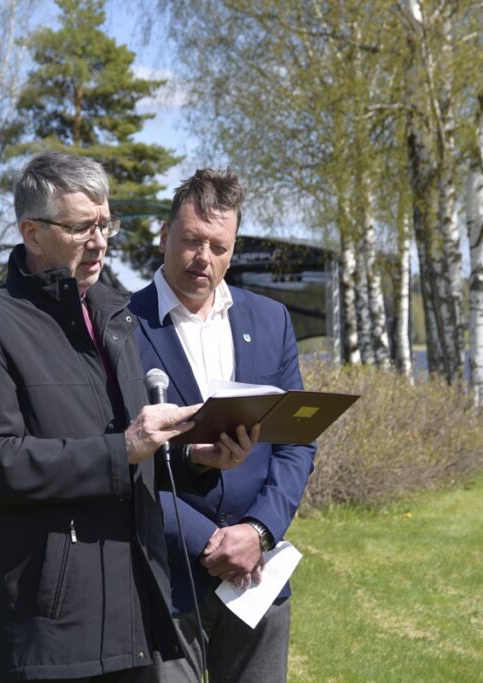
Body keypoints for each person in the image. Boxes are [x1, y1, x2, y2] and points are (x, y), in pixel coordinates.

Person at [0, 152, 258, 683]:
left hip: (137, 613)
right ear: (32, 233)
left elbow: (129, 453)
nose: (99, 242)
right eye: (81, 227)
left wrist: (194, 460)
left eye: (105, 224)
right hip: (52, 626)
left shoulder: (114, 317)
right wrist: (123, 448)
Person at [130, 169, 316, 683]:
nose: (203, 258)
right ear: (164, 236)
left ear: (233, 249)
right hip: (164, 579)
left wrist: (258, 531)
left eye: (219, 246)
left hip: (258, 579)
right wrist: (207, 541)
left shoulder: (271, 320)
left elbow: (296, 443)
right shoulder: (119, 325)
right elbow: (117, 458)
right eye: (192, 240)